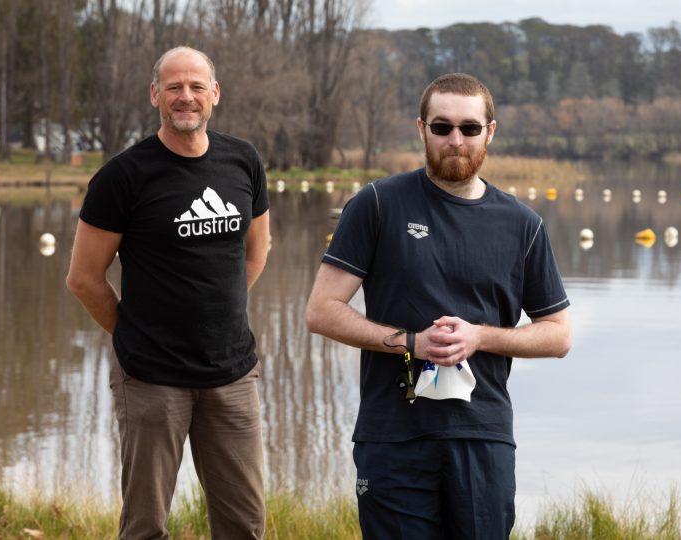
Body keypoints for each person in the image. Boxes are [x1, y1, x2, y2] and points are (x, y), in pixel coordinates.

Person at [305, 73, 571, 539]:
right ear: (421, 128)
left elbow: (558, 334)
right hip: (392, 434)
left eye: (469, 128)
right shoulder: (377, 205)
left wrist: (481, 336)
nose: (455, 139)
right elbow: (321, 310)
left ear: (490, 131)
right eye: (441, 126)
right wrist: (413, 343)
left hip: (482, 433)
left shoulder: (522, 224)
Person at [66, 46, 270, 540]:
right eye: (174, 87)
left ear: (214, 94)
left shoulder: (242, 160)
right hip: (151, 379)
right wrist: (136, 333)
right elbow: (84, 278)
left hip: (232, 375)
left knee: (244, 523)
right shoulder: (123, 176)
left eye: (197, 86)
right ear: (155, 94)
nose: (186, 97)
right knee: (145, 525)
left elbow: (257, 248)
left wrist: (218, 315)